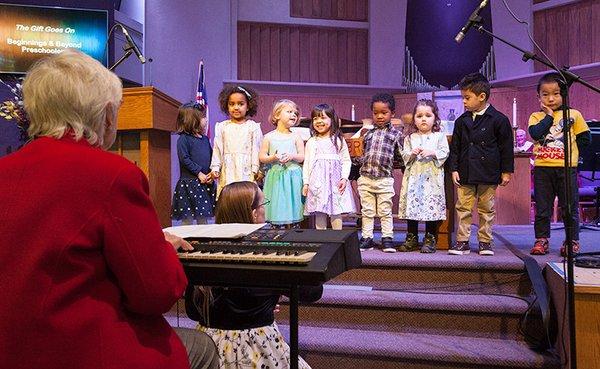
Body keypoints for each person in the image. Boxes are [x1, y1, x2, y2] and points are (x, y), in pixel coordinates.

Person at [0, 49, 218, 369]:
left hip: (14, 349)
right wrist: (161, 248)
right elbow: (155, 294)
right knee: (203, 347)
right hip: (81, 351)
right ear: (105, 114)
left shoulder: (5, 169)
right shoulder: (113, 175)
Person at [186, 181, 322, 369]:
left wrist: (261, 303)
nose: (265, 210)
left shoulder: (200, 251)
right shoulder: (266, 252)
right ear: (254, 214)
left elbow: (192, 311)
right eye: (263, 204)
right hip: (255, 346)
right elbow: (312, 292)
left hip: (208, 347)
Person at [449, 73, 514, 256]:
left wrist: (506, 171)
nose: (464, 102)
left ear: (482, 96)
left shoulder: (499, 119)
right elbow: (456, 147)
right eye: (463, 97)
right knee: (463, 207)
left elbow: (506, 148)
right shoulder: (462, 121)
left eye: (467, 98)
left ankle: (485, 241)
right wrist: (454, 168)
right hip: (466, 171)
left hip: (488, 171)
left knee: (486, 208)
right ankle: (462, 242)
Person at [528, 72, 591, 256]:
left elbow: (584, 139)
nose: (551, 98)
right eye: (545, 94)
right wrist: (548, 116)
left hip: (566, 168)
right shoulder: (536, 116)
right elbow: (537, 134)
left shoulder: (574, 115)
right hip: (542, 169)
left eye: (555, 93)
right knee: (543, 208)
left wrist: (572, 155)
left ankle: (571, 240)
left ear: (563, 94)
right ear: (538, 96)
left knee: (569, 207)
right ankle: (542, 240)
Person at [398, 100, 449, 253]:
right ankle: (412, 237)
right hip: (414, 179)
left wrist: (432, 152)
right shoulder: (409, 138)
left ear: (435, 118)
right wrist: (411, 153)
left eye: (428, 115)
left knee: (430, 206)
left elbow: (445, 152)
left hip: (431, 179)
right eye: (419, 116)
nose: (423, 119)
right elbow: (404, 157)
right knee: (412, 205)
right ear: (414, 119)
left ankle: (430, 237)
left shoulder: (439, 137)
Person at [356, 93, 404, 253]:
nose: (380, 116)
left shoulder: (396, 135)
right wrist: (357, 159)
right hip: (366, 178)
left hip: (384, 179)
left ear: (393, 114)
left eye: (384, 113)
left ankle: (387, 238)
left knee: (385, 210)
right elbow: (362, 154)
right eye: (376, 113)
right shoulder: (367, 133)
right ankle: (367, 238)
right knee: (367, 211)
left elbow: (400, 157)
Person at [303, 103, 356, 230]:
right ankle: (321, 239)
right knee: (319, 210)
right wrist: (306, 183)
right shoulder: (312, 142)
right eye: (315, 118)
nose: (319, 121)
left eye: (323, 117)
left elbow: (346, 161)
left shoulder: (338, 140)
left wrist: (344, 178)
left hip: (335, 181)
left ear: (332, 120)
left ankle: (337, 238)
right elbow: (307, 163)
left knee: (336, 210)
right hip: (318, 182)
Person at [210, 85, 263, 196]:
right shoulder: (222, 127)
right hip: (228, 169)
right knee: (229, 198)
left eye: (240, 104)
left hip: (246, 169)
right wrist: (215, 167)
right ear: (227, 106)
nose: (236, 107)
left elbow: (257, 149)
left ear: (248, 106)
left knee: (246, 197)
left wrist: (257, 169)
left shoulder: (253, 127)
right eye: (232, 104)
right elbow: (217, 149)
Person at [259, 99, 305, 227]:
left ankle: (294, 231)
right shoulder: (268, 137)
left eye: (295, 113)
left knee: (293, 204)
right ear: (277, 115)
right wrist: (273, 157)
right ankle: (277, 231)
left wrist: (291, 156)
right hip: (276, 176)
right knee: (277, 203)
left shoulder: (296, 137)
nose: (293, 115)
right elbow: (262, 157)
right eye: (289, 112)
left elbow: (302, 156)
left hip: (293, 176)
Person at [172, 102, 216, 225]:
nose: (206, 119)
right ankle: (187, 241)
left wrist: (211, 174)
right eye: (202, 117)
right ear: (192, 120)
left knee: (203, 217)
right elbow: (185, 159)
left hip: (204, 182)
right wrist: (199, 173)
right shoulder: (183, 139)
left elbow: (211, 157)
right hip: (189, 184)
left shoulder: (205, 139)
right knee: (188, 217)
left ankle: (204, 241)